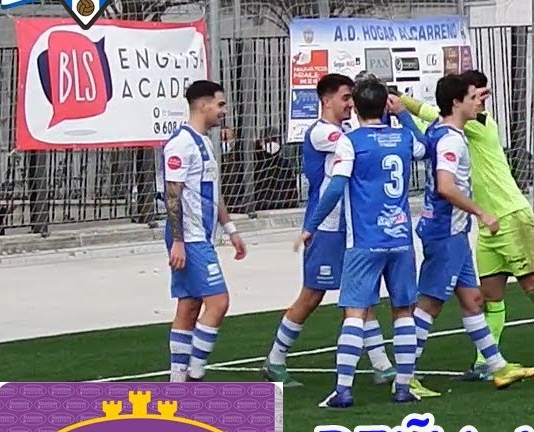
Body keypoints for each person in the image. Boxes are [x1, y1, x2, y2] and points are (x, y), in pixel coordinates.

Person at [396, 69, 534, 383]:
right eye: (475, 95)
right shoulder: (450, 130)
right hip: (484, 224)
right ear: (460, 100)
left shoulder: (479, 124)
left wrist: (401, 101)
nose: (481, 101)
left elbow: (430, 113)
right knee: (487, 296)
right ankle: (488, 363)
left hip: (510, 216)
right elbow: (432, 121)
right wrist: (400, 108)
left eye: (481, 95)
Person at [263, 74, 419, 393]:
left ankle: (381, 365)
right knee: (312, 295)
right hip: (327, 228)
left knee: (363, 296)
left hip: (352, 228)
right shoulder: (324, 133)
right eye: (345, 97)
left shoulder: (350, 133)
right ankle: (275, 358)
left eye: (353, 98)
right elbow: (361, 148)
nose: (349, 104)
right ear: (326, 100)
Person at [300, 78, 425, 408]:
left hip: (365, 242)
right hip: (401, 240)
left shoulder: (350, 142)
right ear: (386, 105)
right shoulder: (402, 137)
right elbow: (425, 147)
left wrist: (311, 226)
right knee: (403, 312)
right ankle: (402, 387)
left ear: (355, 107)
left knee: (355, 312)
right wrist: (404, 115)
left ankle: (343, 390)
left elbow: (335, 188)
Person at [160, 80, 247, 382]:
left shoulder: (205, 142)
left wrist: (230, 229)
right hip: (190, 238)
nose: (223, 111)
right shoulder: (180, 144)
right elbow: (173, 195)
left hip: (201, 236)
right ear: (202, 105)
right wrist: (178, 242)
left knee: (189, 305)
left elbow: (212, 192)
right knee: (219, 302)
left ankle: (177, 381)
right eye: (220, 105)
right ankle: (196, 372)